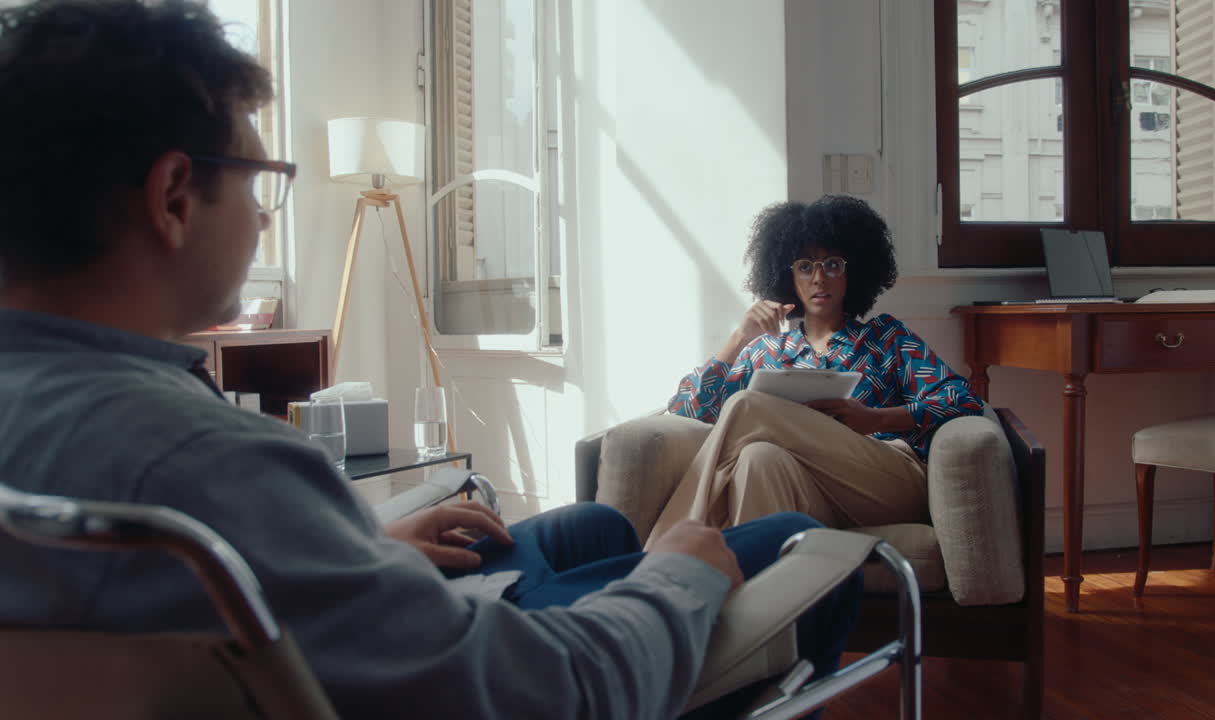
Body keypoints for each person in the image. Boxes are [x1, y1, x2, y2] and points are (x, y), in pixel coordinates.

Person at [0, 2, 858, 719]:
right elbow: (553, 694)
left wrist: (360, 547)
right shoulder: (210, 463)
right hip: (485, 681)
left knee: (590, 526)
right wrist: (678, 579)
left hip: (321, 641)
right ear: (174, 197)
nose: (263, 218)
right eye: (259, 180)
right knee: (799, 546)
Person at [647, 194, 983, 545]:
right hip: (808, 492)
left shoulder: (885, 338)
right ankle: (764, 575)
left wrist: (877, 418)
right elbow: (685, 410)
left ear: (853, 272)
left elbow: (963, 400)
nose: (819, 278)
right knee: (757, 458)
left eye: (833, 264)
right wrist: (739, 337)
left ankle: (667, 548)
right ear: (788, 276)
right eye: (805, 266)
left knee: (746, 405)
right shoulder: (765, 351)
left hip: (885, 484)